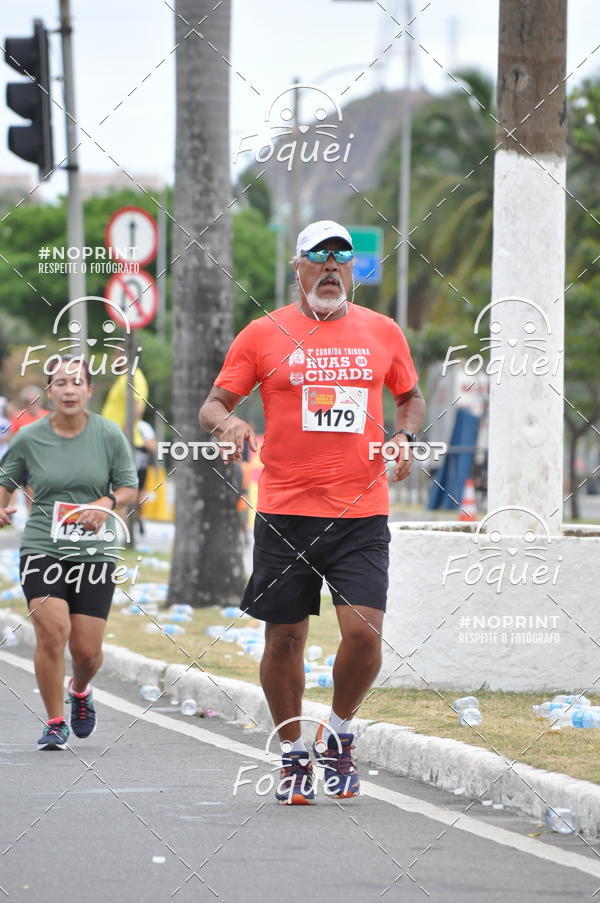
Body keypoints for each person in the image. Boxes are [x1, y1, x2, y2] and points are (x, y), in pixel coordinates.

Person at [199, 220, 425, 804]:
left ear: (353, 270)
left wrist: (403, 437)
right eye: (318, 257)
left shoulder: (382, 332)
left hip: (361, 512)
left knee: (364, 635)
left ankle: (341, 733)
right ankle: (294, 753)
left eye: (341, 258)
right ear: (297, 267)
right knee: (283, 643)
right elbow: (214, 403)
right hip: (285, 512)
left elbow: (410, 396)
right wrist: (230, 422)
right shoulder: (263, 333)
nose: (330, 267)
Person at [0, 357, 138, 750]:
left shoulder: (109, 434)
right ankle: (55, 720)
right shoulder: (29, 438)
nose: (68, 390)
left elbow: (129, 486)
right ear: (50, 392)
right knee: (51, 631)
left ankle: (79, 689)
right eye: (60, 383)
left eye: (76, 382)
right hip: (43, 546)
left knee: (87, 651)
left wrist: (106, 502)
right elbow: (5, 482)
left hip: (95, 552)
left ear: (89, 391)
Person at [133, 418, 157, 534]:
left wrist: (141, 444)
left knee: (138, 499)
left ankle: (139, 518)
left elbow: (153, 447)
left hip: (140, 468)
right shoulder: (119, 422)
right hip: (124, 468)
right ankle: (127, 525)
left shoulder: (144, 426)